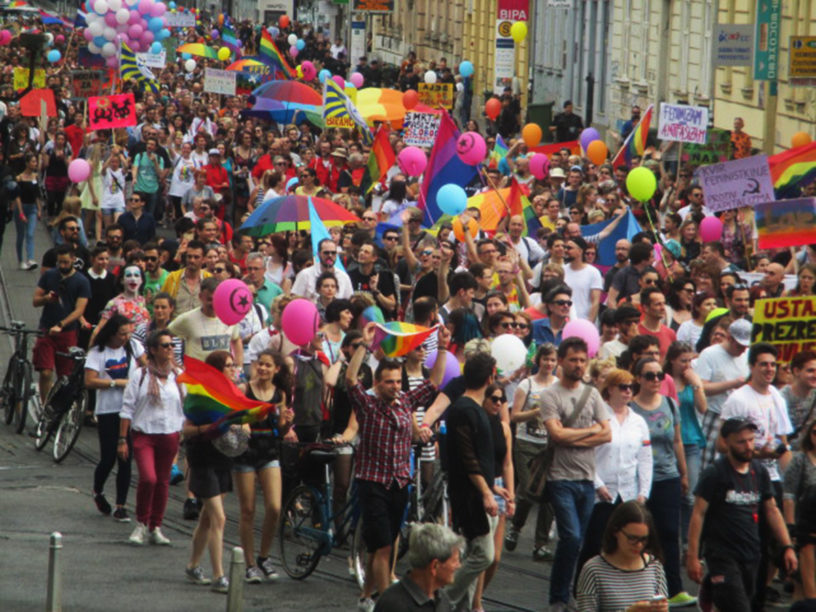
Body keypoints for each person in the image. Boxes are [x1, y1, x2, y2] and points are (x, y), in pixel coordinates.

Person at [346, 323, 450, 612]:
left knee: (386, 543)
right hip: (373, 482)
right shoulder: (367, 404)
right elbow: (350, 379)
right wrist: (364, 346)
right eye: (389, 382)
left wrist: (441, 348)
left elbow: (434, 383)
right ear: (378, 383)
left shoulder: (405, 401)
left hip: (399, 483)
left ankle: (366, 596)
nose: (394, 386)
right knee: (382, 547)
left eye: (397, 381)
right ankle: (387, 603)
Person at [687, 418, 797, 612]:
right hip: (722, 555)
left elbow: (772, 510)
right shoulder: (714, 473)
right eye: (741, 442)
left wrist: (787, 546)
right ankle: (713, 586)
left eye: (751, 440)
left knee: (749, 603)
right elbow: (698, 514)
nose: (748, 446)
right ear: (727, 442)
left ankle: (712, 594)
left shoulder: (759, 471)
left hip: (751, 553)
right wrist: (692, 557)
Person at [541, 337, 612, 610]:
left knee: (578, 541)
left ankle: (567, 592)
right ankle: (558, 598)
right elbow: (556, 434)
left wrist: (575, 437)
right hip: (560, 478)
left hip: (586, 479)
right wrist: (590, 432)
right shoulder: (550, 395)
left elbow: (606, 433)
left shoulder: (592, 394)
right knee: (570, 536)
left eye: (583, 361)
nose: (579, 365)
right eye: (573, 360)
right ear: (561, 361)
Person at [629, 357, 695, 607]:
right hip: (639, 480)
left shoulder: (669, 403)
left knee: (669, 532)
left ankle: (674, 588)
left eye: (659, 375)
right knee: (641, 533)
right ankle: (641, 586)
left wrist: (684, 473)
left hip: (668, 476)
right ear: (638, 379)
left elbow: (677, 441)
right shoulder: (632, 409)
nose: (656, 380)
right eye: (649, 375)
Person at [576, 369, 652, 582]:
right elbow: (587, 454)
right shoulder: (598, 417)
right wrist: (598, 484)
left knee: (623, 547)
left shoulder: (639, 422)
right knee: (592, 544)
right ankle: (581, 589)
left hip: (628, 493)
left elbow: (645, 459)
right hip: (600, 493)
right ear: (610, 389)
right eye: (623, 387)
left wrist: (643, 492)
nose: (628, 392)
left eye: (631, 387)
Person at [444, 352, 502, 610]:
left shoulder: (475, 410)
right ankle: (442, 598)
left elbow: (479, 458)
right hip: (469, 496)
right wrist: (486, 492)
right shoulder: (463, 410)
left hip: (479, 491)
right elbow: (468, 459)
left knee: (471, 554)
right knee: (483, 555)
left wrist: (492, 487)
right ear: (490, 376)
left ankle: (461, 606)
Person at [233, 350, 294, 583]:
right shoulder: (244, 390)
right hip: (246, 452)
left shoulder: (280, 394)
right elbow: (233, 417)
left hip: (268, 450)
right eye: (261, 364)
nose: (263, 369)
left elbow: (280, 428)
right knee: (247, 510)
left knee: (275, 507)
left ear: (276, 369)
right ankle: (249, 564)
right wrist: (242, 422)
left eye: (268, 365)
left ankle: (264, 556)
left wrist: (286, 424)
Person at [118, 329, 183, 546]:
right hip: (144, 434)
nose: (170, 349)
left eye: (172, 345)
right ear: (153, 350)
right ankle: (141, 523)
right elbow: (127, 408)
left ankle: (156, 526)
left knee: (163, 481)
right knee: (148, 478)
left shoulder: (178, 375)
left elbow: (186, 405)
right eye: (165, 346)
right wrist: (121, 439)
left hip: (169, 434)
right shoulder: (141, 375)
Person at [183, 351, 240, 594]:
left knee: (207, 517)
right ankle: (219, 575)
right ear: (216, 369)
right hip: (203, 458)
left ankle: (193, 565)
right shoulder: (201, 394)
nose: (232, 369)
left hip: (223, 457)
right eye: (227, 365)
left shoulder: (233, 392)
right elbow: (186, 429)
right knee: (219, 518)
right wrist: (203, 428)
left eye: (232, 364)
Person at [85, 314, 145, 523]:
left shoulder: (133, 347)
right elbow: (90, 381)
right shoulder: (98, 352)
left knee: (126, 458)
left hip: (129, 410)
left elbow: (147, 367)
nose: (126, 337)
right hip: (108, 410)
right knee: (109, 457)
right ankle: (98, 490)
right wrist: (115, 383)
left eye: (128, 333)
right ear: (111, 333)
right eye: (122, 334)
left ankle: (121, 505)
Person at [506, 343, 558, 560]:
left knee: (548, 495)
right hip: (526, 443)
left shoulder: (558, 386)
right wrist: (536, 412)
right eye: (545, 359)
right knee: (529, 490)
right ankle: (516, 527)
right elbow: (514, 416)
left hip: (549, 445)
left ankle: (540, 543)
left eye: (553, 360)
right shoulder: (526, 385)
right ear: (539, 361)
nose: (549, 364)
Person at [576, 501, 669, 612]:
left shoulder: (654, 566)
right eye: (632, 538)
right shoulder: (593, 570)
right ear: (615, 531)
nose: (639, 545)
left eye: (643, 539)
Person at [471, 382, 515, 612]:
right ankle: (476, 604)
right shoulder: (476, 424)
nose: (498, 403)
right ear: (484, 399)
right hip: (483, 486)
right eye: (494, 399)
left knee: (495, 558)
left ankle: (476, 596)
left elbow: (508, 463)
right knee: (483, 554)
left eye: (501, 400)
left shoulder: (504, 428)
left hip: (499, 486)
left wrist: (512, 496)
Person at [32, 245, 91, 402]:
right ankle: (44, 406)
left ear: (73, 259)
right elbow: (35, 301)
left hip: (67, 333)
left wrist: (61, 324)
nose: (63, 266)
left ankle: (58, 407)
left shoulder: (82, 281)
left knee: (65, 376)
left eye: (66, 262)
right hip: (46, 329)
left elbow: (79, 310)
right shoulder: (49, 275)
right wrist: (46, 299)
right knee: (45, 371)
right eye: (60, 263)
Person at [664, 342, 708, 551]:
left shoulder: (692, 381)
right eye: (683, 361)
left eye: (690, 360)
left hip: (690, 440)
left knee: (689, 496)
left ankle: (687, 543)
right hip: (669, 440)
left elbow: (703, 407)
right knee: (671, 493)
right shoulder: (664, 381)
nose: (687, 365)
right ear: (672, 360)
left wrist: (697, 384)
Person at [695, 318, 751, 469]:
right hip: (716, 415)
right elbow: (702, 387)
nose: (743, 350)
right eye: (739, 346)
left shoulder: (747, 355)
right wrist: (732, 384)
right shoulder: (710, 354)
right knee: (709, 464)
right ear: (729, 338)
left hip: (741, 418)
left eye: (746, 346)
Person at [373, 523, 463, 612]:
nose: (459, 566)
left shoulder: (441, 599)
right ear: (434, 566)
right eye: (455, 561)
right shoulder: (393, 605)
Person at [168, 277, 243, 365]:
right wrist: (173, 363)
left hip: (222, 374)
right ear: (200, 297)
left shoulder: (229, 317)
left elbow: (236, 339)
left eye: (216, 299)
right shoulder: (187, 319)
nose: (213, 303)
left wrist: (239, 366)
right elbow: (166, 336)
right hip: (197, 374)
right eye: (209, 299)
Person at [783, 417, 816, 602]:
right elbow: (789, 495)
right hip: (804, 526)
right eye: (815, 432)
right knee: (803, 585)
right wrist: (790, 528)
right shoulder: (800, 460)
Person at [13, 152, 41, 270]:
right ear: (27, 163)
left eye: (36, 161)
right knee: (21, 235)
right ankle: (20, 260)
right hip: (22, 207)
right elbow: (17, 196)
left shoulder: (35, 177)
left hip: (32, 208)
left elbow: (36, 195)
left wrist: (39, 209)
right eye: (33, 161)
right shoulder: (19, 178)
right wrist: (20, 212)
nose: (35, 164)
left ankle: (30, 259)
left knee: (30, 233)